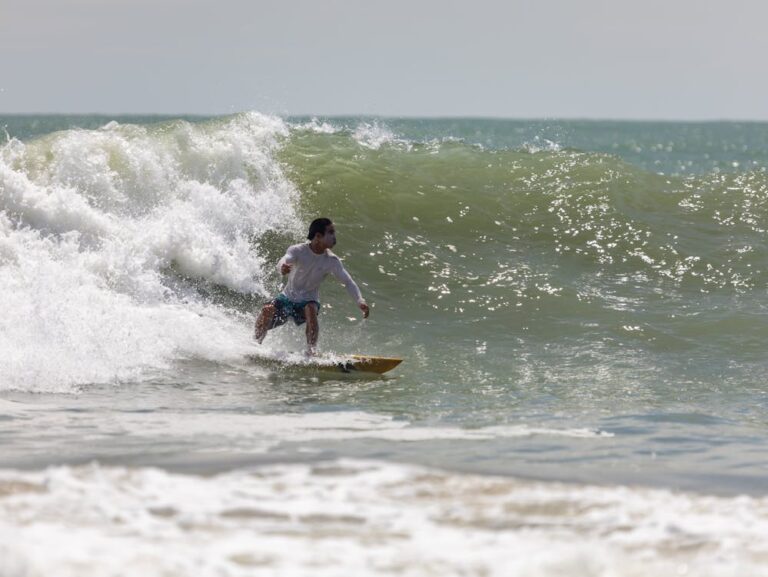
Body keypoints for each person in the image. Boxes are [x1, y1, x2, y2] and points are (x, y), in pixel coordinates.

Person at [254, 218, 370, 355]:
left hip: (309, 300)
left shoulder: (331, 261)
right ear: (318, 236)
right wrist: (283, 267)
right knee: (267, 309)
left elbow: (348, 282)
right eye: (331, 232)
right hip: (287, 297)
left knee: (310, 308)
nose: (334, 237)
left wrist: (360, 300)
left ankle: (311, 352)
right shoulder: (298, 250)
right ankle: (255, 345)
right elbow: (285, 259)